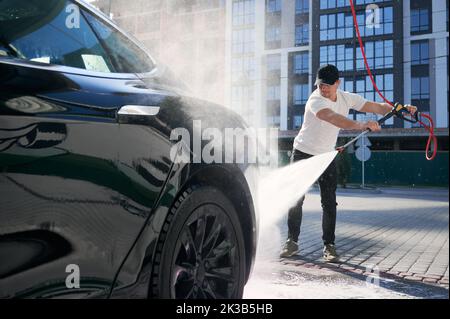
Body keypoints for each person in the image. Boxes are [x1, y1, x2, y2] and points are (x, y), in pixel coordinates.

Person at [280, 64, 417, 262]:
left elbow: (375, 107)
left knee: (329, 202)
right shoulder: (315, 100)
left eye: (327, 85)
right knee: (296, 199)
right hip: (303, 152)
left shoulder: (346, 97)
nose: (323, 89)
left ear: (337, 84)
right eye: (320, 85)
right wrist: (362, 125)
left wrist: (401, 109)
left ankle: (329, 246)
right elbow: (333, 118)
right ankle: (292, 242)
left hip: (326, 156)